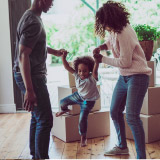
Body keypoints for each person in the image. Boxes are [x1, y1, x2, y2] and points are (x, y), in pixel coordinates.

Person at [93, 1, 152, 159]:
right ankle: (122, 147)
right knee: (114, 111)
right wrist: (102, 47)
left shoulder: (124, 32)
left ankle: (141, 157)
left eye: (104, 22)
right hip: (124, 77)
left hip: (137, 77)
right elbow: (111, 42)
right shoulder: (115, 30)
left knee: (132, 117)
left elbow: (125, 62)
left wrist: (102, 60)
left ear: (111, 19)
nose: (103, 25)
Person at [13, 0, 68, 159]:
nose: (52, 4)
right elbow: (24, 54)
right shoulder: (34, 22)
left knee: (37, 117)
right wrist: (29, 90)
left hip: (29, 75)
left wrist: (55, 52)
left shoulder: (30, 16)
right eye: (50, 0)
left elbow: (33, 45)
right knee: (45, 120)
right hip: (33, 78)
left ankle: (35, 155)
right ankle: (41, 157)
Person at [56, 54, 100, 147]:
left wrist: (96, 61)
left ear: (90, 70)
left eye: (85, 71)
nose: (82, 73)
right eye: (80, 70)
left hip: (88, 101)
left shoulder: (92, 78)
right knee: (62, 102)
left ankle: (83, 137)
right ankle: (64, 109)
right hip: (78, 96)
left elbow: (95, 71)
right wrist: (63, 58)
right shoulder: (76, 75)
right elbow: (67, 67)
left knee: (82, 118)